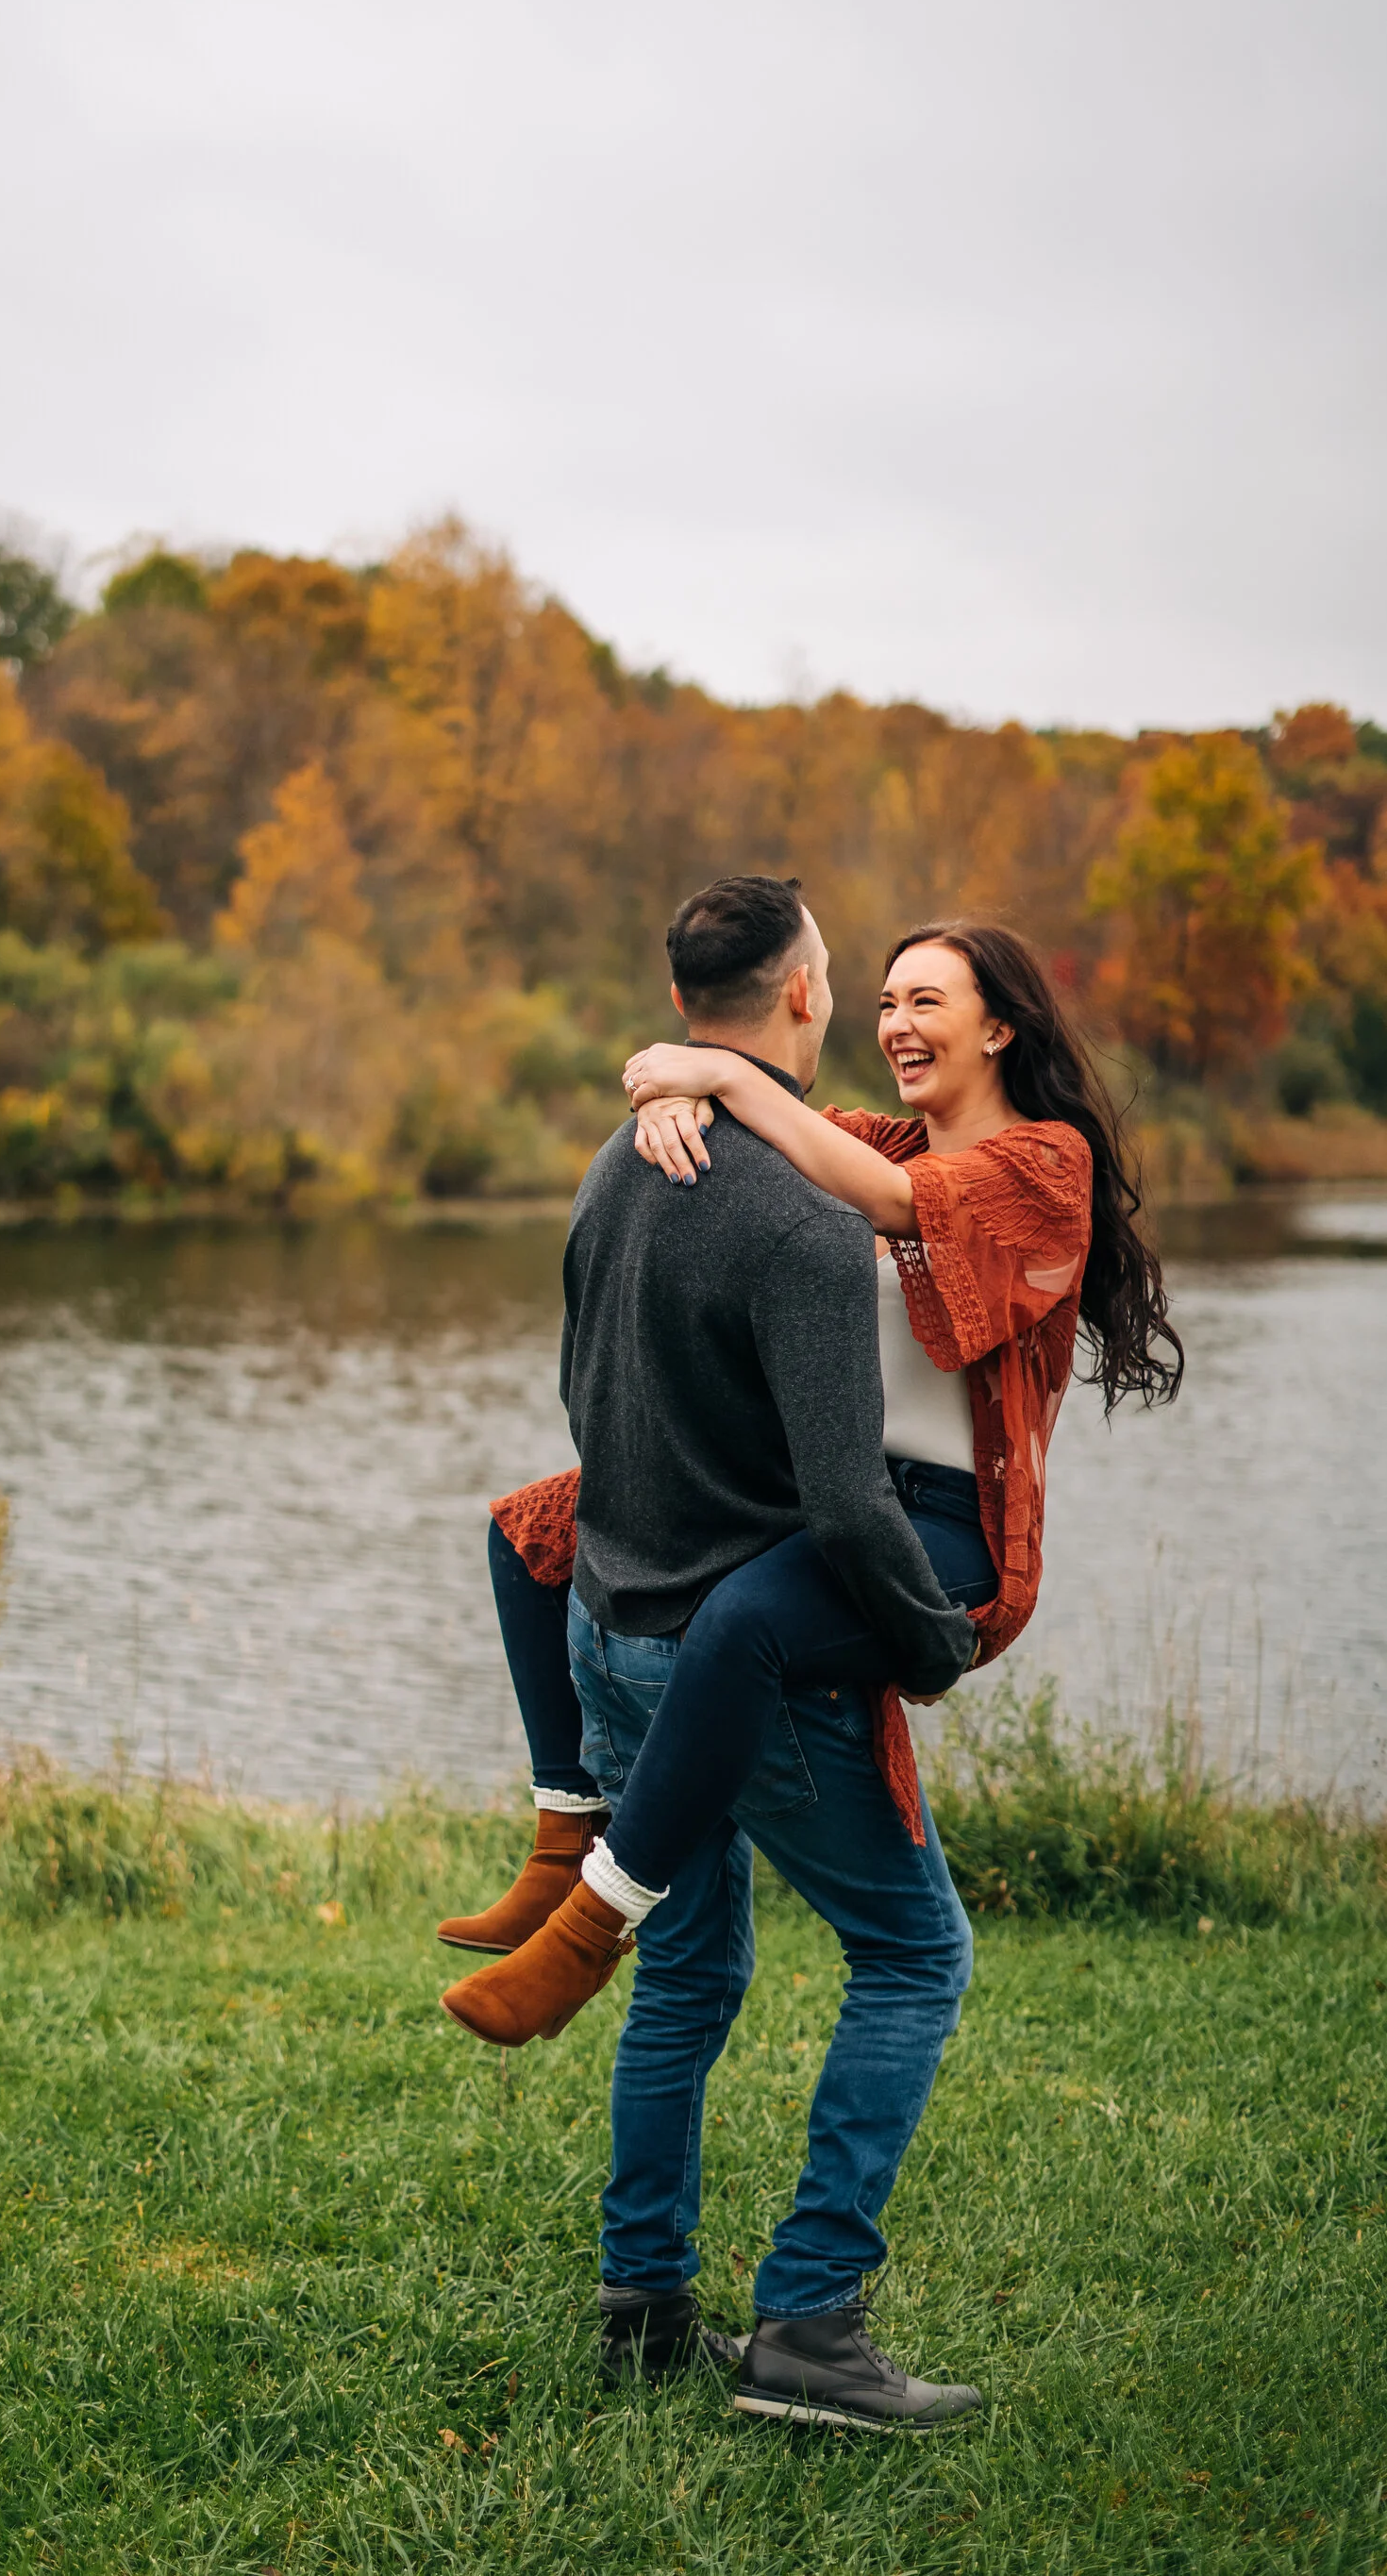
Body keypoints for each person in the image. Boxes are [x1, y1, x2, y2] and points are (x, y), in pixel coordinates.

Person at [438, 883, 1182, 2426]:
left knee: (774, 1831)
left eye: (933, 999)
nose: (901, 1020)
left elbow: (889, 1204)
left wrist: (710, 1082)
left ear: (1005, 1025)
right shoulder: (873, 1139)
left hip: (928, 1532)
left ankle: (594, 1911)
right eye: (883, 993)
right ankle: (716, 2308)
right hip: (814, 1522)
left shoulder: (1042, 1162)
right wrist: (677, 1081)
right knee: (548, 1533)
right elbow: (781, 1104)